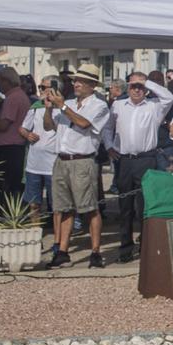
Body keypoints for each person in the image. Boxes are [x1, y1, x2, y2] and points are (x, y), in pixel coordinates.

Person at [44, 65, 111, 266]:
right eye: (75, 81)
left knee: (89, 208)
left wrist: (63, 107)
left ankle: (96, 252)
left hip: (82, 161)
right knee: (64, 209)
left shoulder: (99, 106)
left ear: (92, 85)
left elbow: (84, 124)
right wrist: (49, 108)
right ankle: (62, 251)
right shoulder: (69, 102)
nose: (76, 84)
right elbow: (49, 126)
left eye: (81, 81)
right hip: (62, 160)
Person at [106, 71, 173, 262]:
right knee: (125, 207)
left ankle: (147, 245)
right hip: (125, 160)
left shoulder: (154, 106)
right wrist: (109, 146)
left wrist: (148, 82)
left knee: (145, 205)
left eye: (140, 86)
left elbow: (169, 97)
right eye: (133, 86)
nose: (136, 89)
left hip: (146, 159)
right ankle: (126, 247)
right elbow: (108, 127)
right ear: (128, 87)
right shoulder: (119, 105)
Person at [0, 66, 31, 204]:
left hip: (6, 148)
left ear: (7, 81)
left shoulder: (13, 98)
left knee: (2, 186)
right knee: (11, 185)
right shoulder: (20, 96)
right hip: (14, 147)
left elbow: (3, 125)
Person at [19, 75, 62, 217]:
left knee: (56, 203)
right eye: (40, 87)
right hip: (35, 163)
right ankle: (35, 233)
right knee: (34, 202)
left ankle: (60, 234)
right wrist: (27, 135)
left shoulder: (63, 108)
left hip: (53, 163)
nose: (41, 90)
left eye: (43, 87)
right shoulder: (36, 106)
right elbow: (23, 128)